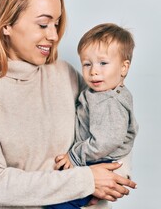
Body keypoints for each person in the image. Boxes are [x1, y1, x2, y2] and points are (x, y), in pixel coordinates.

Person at [0, 0, 136, 209]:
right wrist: (86, 180)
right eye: (43, 24)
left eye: (56, 24)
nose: (54, 36)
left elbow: (114, 125)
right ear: (6, 25)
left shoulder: (64, 73)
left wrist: (116, 176)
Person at [49, 23, 139, 209]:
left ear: (124, 67)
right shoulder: (103, 92)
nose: (94, 71)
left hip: (104, 160)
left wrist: (73, 156)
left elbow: (105, 141)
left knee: (58, 199)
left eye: (103, 63)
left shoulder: (108, 100)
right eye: (87, 64)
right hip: (103, 158)